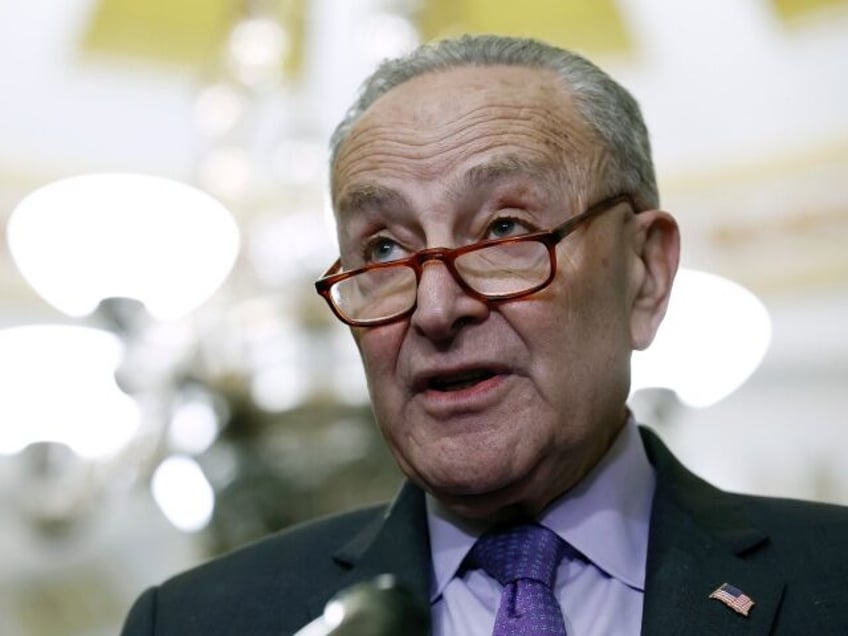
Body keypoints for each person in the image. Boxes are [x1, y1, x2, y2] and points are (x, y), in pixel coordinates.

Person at [120, 34, 848, 635]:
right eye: (382, 251)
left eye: (505, 230)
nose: (436, 309)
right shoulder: (196, 621)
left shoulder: (832, 580)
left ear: (645, 273)